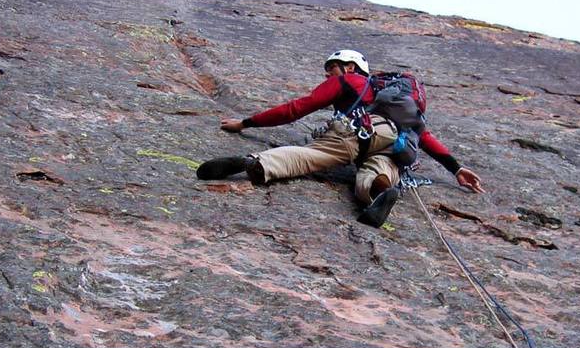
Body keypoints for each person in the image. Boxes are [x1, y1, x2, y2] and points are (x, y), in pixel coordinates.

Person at [197, 49, 483, 227]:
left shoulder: (349, 80)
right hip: (393, 141)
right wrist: (456, 168)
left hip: (356, 131)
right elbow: (424, 135)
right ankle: (379, 192)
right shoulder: (398, 101)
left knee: (309, 156)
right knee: (380, 170)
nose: (327, 73)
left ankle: (255, 164)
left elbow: (298, 108)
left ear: (349, 67)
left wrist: (246, 123)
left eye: (332, 67)